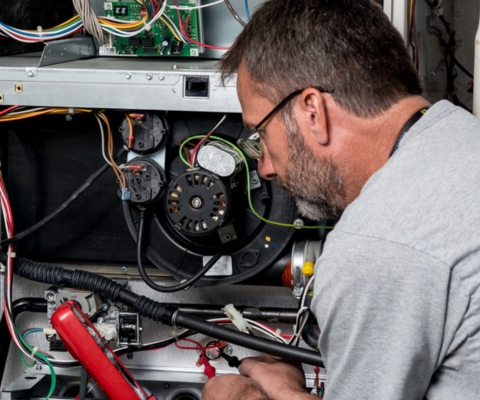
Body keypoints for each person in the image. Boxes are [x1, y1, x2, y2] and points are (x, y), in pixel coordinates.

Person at [202, 0, 480, 399]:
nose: (263, 167)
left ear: (312, 111)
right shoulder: (459, 133)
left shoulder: (378, 245)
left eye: (260, 133)